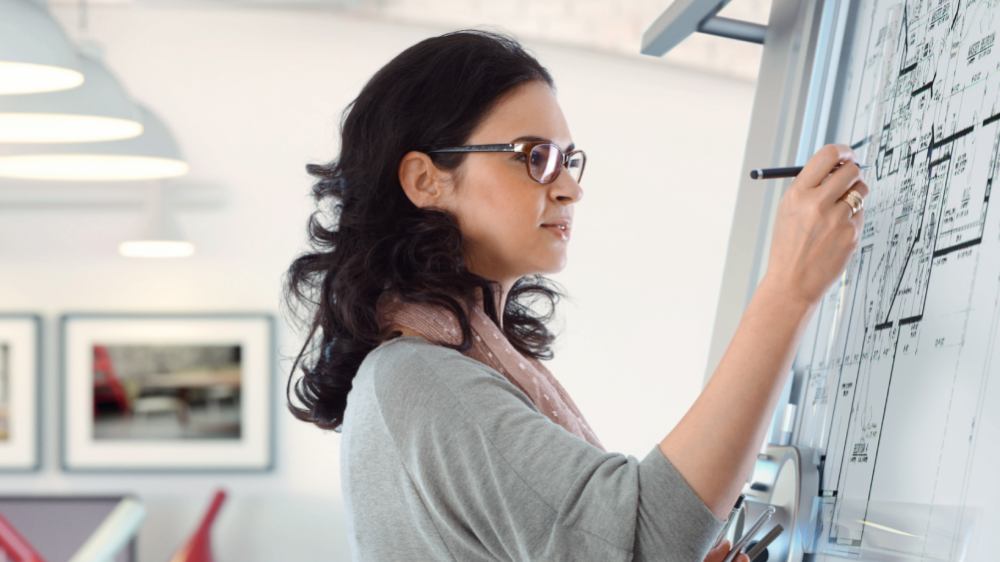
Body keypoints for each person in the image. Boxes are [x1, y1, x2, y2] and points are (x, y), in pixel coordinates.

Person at [283, 29, 868, 562]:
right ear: (426, 180)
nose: (570, 188)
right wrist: (789, 288)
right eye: (534, 157)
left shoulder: (430, 368)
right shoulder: (419, 378)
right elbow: (643, 543)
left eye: (568, 160)